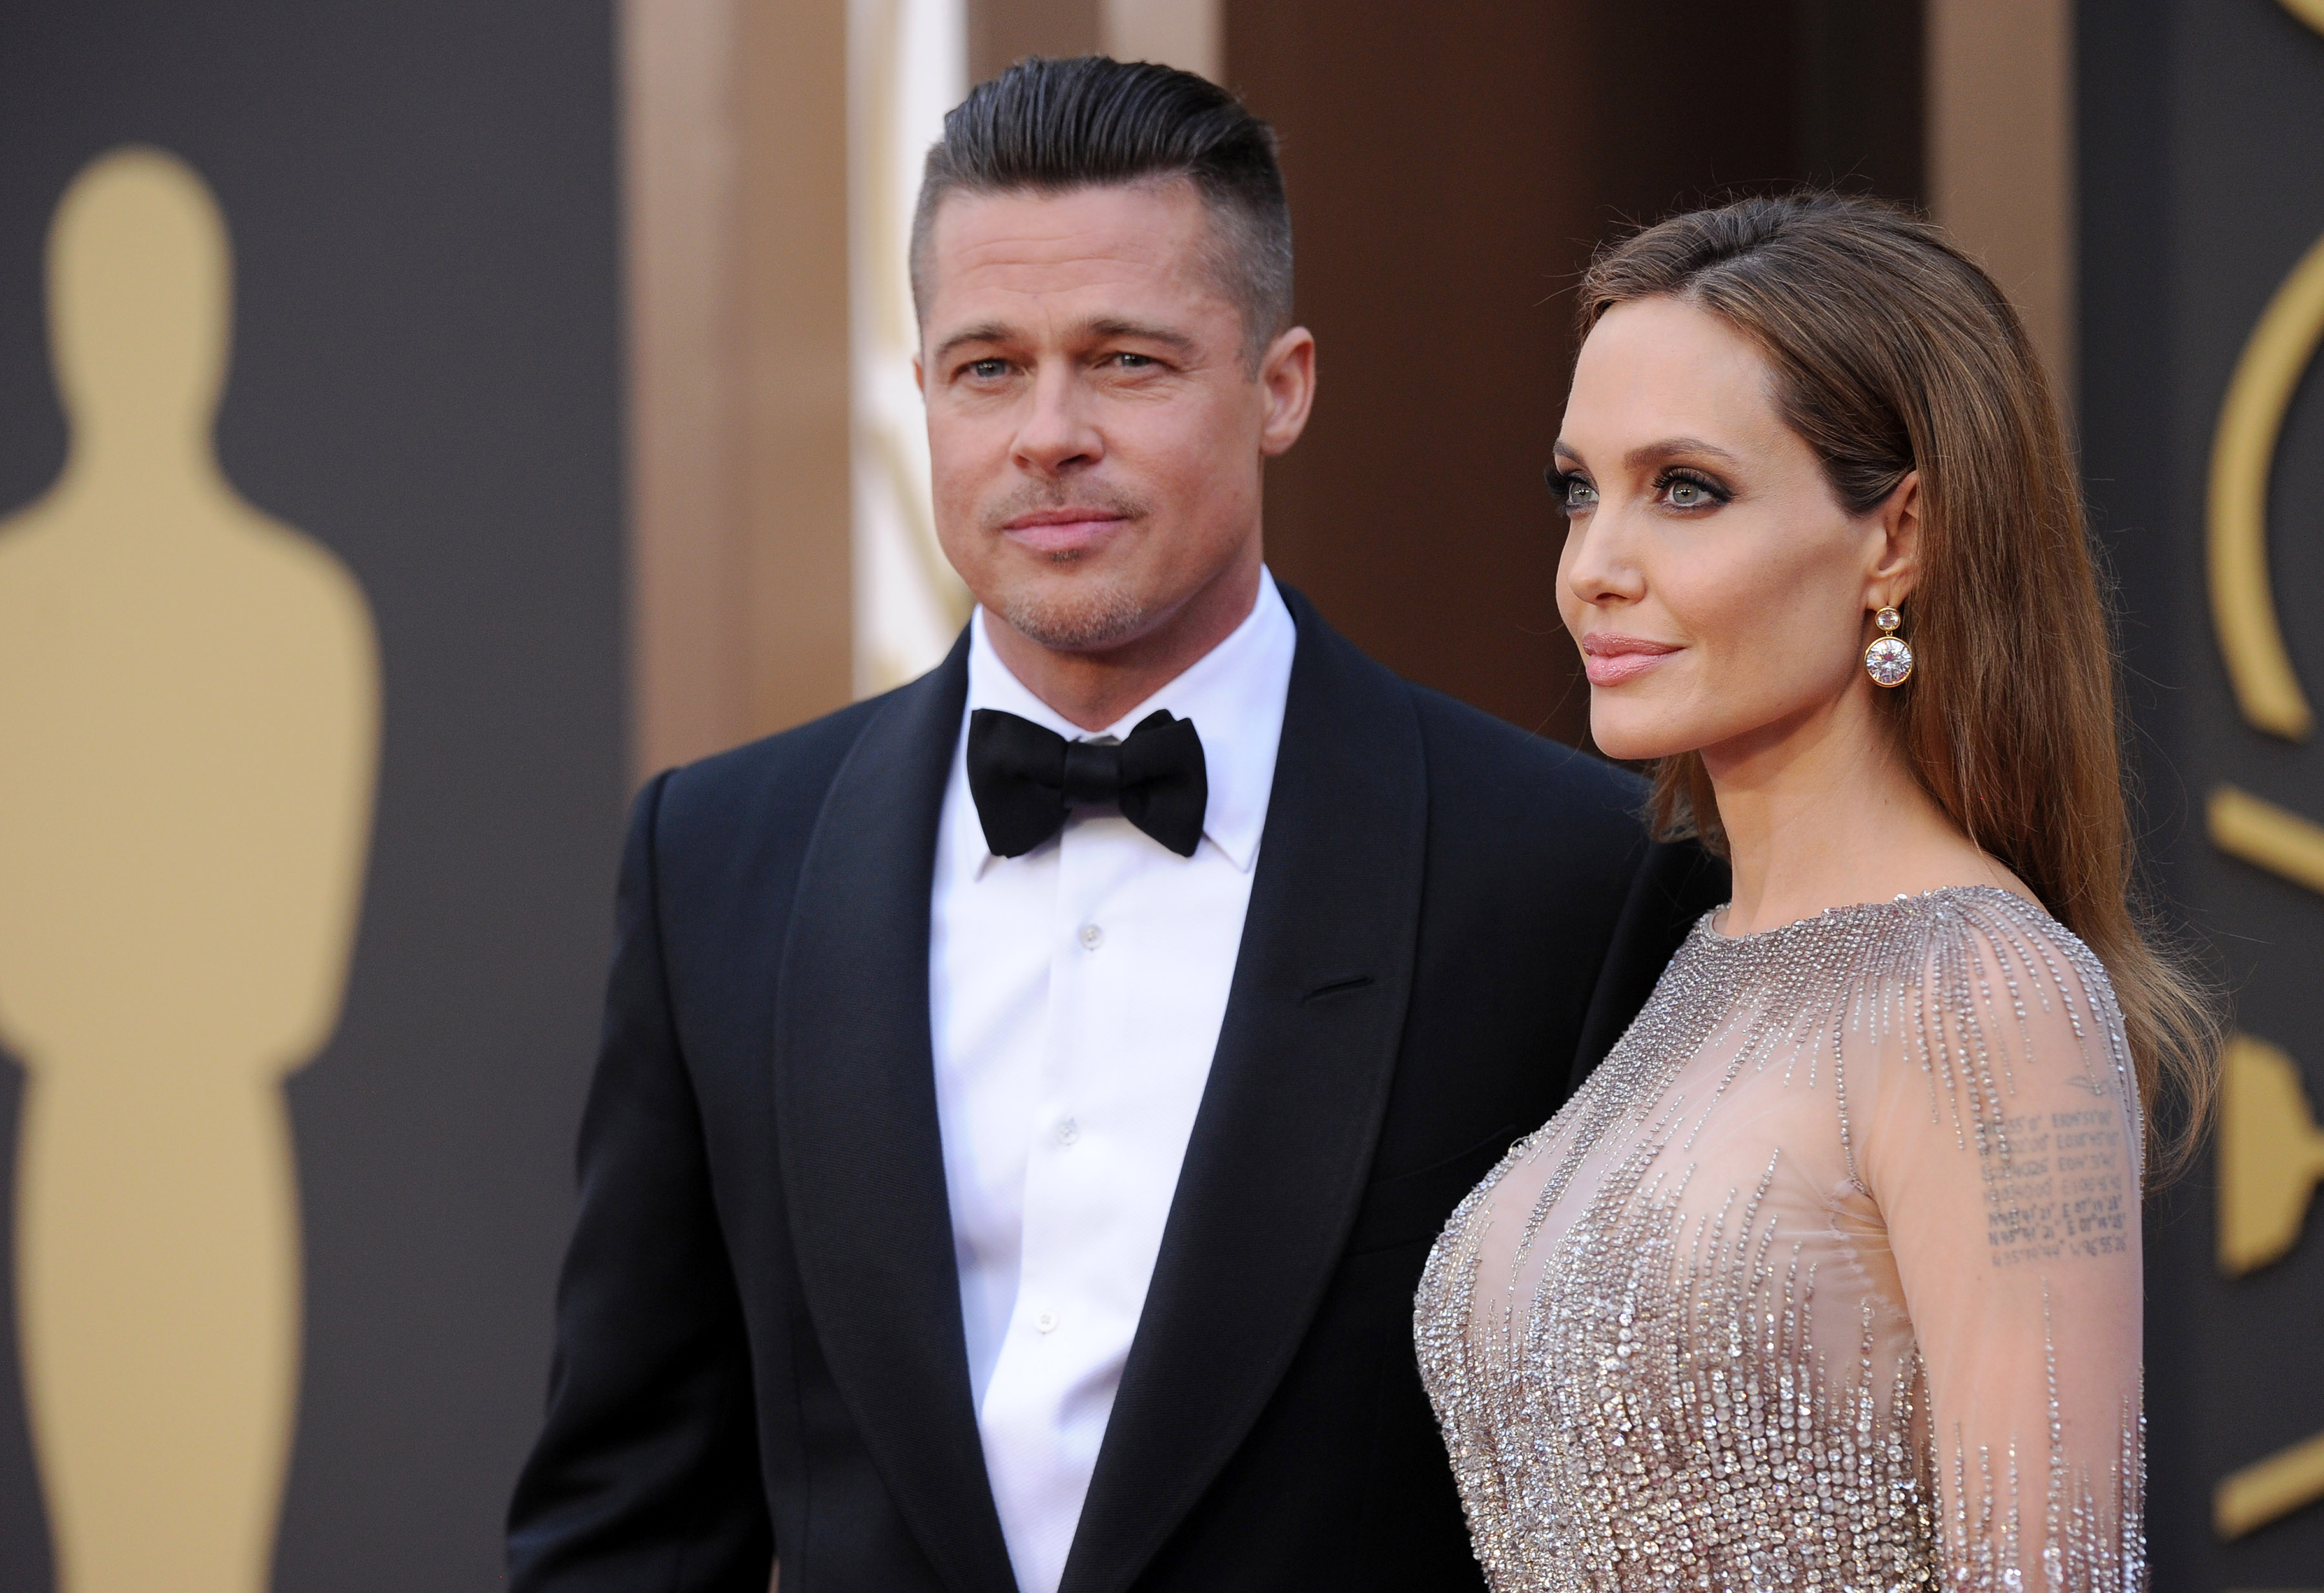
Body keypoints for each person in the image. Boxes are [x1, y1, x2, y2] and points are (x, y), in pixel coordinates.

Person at [507, 56, 1721, 1593]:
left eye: (1126, 362)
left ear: (1281, 386)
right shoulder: (716, 858)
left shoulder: (1571, 873)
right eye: (987, 367)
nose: (1048, 432)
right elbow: (632, 1517)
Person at [1415, 192, 2223, 1591]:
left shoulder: (1985, 991)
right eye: (1576, 489)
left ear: (1896, 537)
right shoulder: (1700, 966)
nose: (1596, 567)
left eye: (1686, 489)